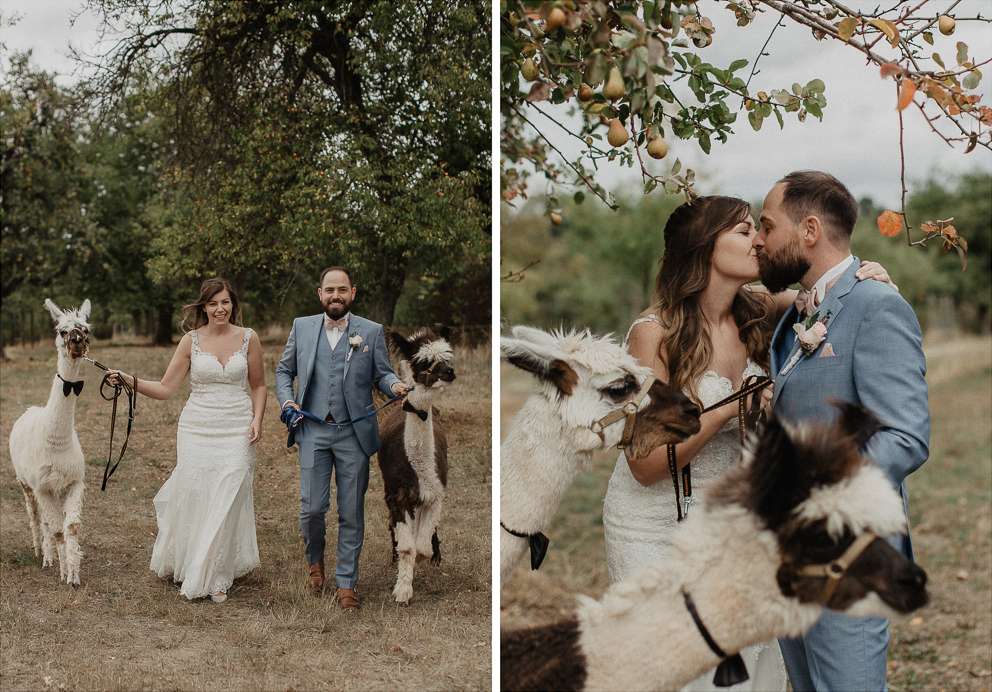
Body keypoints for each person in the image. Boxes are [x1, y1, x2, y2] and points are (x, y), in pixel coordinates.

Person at [601, 195, 896, 692]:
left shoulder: (766, 309)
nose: (759, 239)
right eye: (743, 230)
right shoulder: (654, 333)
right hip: (654, 527)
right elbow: (646, 464)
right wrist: (729, 410)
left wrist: (869, 279)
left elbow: (836, 292)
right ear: (703, 246)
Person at [754, 171, 929, 692]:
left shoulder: (877, 306)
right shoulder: (795, 316)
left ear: (810, 230)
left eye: (766, 225)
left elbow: (905, 436)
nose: (759, 239)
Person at [107, 278, 265, 603]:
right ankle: (198, 562)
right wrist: (129, 380)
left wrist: (258, 419)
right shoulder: (190, 341)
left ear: (233, 304)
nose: (219, 308)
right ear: (203, 307)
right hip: (197, 428)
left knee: (230, 492)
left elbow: (259, 385)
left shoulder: (249, 338)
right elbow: (166, 389)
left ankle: (217, 575)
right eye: (212, 303)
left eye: (225, 302)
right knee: (199, 494)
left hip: (237, 427)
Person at [275, 266, 405, 609]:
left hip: (354, 433)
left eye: (342, 290)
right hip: (312, 429)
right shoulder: (301, 327)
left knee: (352, 511)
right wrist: (288, 401)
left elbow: (384, 373)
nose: (336, 295)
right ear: (320, 294)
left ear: (353, 293)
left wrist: (395, 386)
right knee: (313, 508)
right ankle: (315, 562)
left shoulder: (371, 331)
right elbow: (284, 371)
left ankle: (346, 582)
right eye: (329, 290)